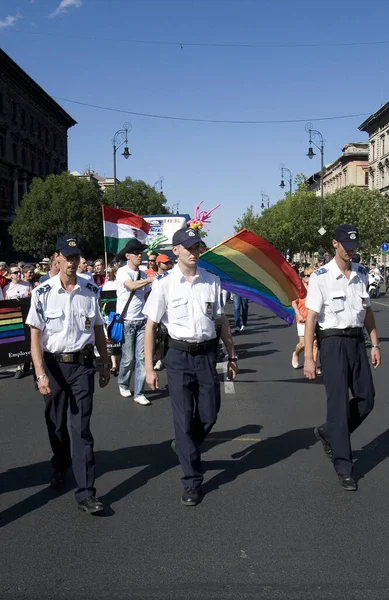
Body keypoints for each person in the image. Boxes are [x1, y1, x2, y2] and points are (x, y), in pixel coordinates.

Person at [143, 227, 238, 507]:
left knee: (209, 414)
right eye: (189, 247)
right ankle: (191, 481)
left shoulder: (212, 281)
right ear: (176, 251)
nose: (195, 252)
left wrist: (231, 354)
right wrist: (149, 367)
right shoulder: (163, 284)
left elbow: (220, 321)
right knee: (183, 420)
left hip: (207, 355)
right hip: (178, 356)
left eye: (198, 247)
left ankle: (186, 446)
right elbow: (151, 326)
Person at [26, 235, 111, 514]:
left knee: (82, 429)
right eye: (67, 256)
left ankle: (86, 492)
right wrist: (40, 374)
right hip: (52, 365)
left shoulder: (90, 289)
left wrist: (104, 360)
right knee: (57, 425)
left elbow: (98, 327)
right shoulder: (42, 293)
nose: (72, 262)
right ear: (57, 258)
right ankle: (59, 462)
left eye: (76, 257)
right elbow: (36, 337)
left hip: (82, 366)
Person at [304, 225, 381, 492]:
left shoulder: (361, 273)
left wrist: (375, 343)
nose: (351, 251)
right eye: (347, 246)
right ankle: (344, 466)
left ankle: (329, 433)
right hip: (332, 343)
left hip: (357, 342)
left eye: (354, 246)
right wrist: (308, 358)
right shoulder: (320, 277)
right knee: (337, 405)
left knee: (367, 399)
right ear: (335, 244)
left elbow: (367, 311)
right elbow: (311, 317)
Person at [115, 239, 155, 405]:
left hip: (141, 321)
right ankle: (123, 382)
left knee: (141, 358)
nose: (140, 256)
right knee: (128, 358)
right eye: (137, 253)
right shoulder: (122, 272)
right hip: (127, 321)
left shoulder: (144, 274)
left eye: (141, 253)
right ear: (128, 255)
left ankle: (139, 392)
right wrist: (148, 281)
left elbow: (146, 296)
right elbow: (131, 286)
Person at [291, 267, 318, 369]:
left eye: (309, 275)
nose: (306, 277)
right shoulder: (299, 289)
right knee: (303, 344)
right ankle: (296, 353)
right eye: (305, 275)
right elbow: (294, 302)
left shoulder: (315, 288)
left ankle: (314, 365)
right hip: (302, 319)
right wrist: (298, 314)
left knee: (315, 342)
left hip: (313, 319)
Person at [153, 254, 173, 370]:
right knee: (158, 338)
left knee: (167, 339)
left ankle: (166, 358)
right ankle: (159, 359)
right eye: (164, 263)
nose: (167, 264)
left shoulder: (172, 277)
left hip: (169, 313)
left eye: (168, 262)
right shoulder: (153, 277)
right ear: (158, 264)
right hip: (157, 311)